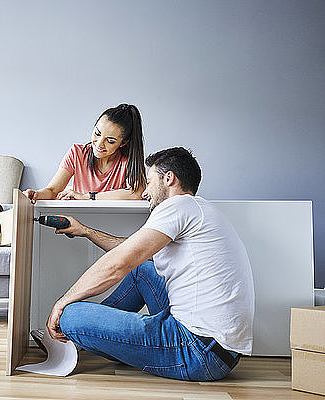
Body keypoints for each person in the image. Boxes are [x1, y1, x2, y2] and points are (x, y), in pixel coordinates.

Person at [45, 147, 255, 381]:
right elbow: (133, 252)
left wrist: (62, 302)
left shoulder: (177, 206)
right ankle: (87, 336)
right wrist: (85, 231)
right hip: (218, 350)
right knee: (142, 270)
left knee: (70, 316)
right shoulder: (198, 209)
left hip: (196, 351)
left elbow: (118, 264)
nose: (145, 191)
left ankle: (76, 333)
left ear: (169, 178)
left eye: (149, 181)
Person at [24, 104, 146, 202]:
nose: (99, 144)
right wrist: (37, 194)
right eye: (97, 134)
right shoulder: (77, 153)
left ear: (123, 143)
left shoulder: (127, 161)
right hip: (79, 220)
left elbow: (137, 193)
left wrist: (88, 196)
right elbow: (52, 190)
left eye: (110, 141)